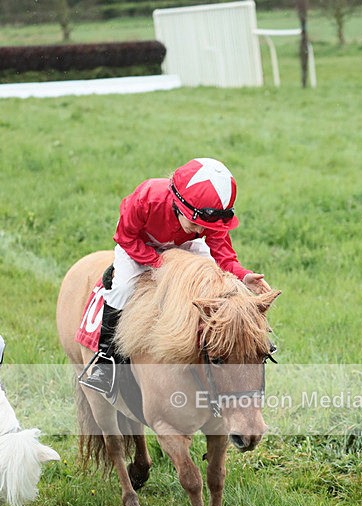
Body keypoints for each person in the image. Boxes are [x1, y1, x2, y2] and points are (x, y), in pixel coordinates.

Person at [82, 157, 271, 394]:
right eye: (195, 223)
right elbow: (126, 237)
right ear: (178, 204)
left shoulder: (206, 222)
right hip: (141, 246)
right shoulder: (146, 197)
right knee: (121, 288)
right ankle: (106, 360)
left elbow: (223, 255)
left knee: (217, 285)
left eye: (207, 226)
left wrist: (243, 276)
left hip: (185, 247)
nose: (201, 230)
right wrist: (161, 263)